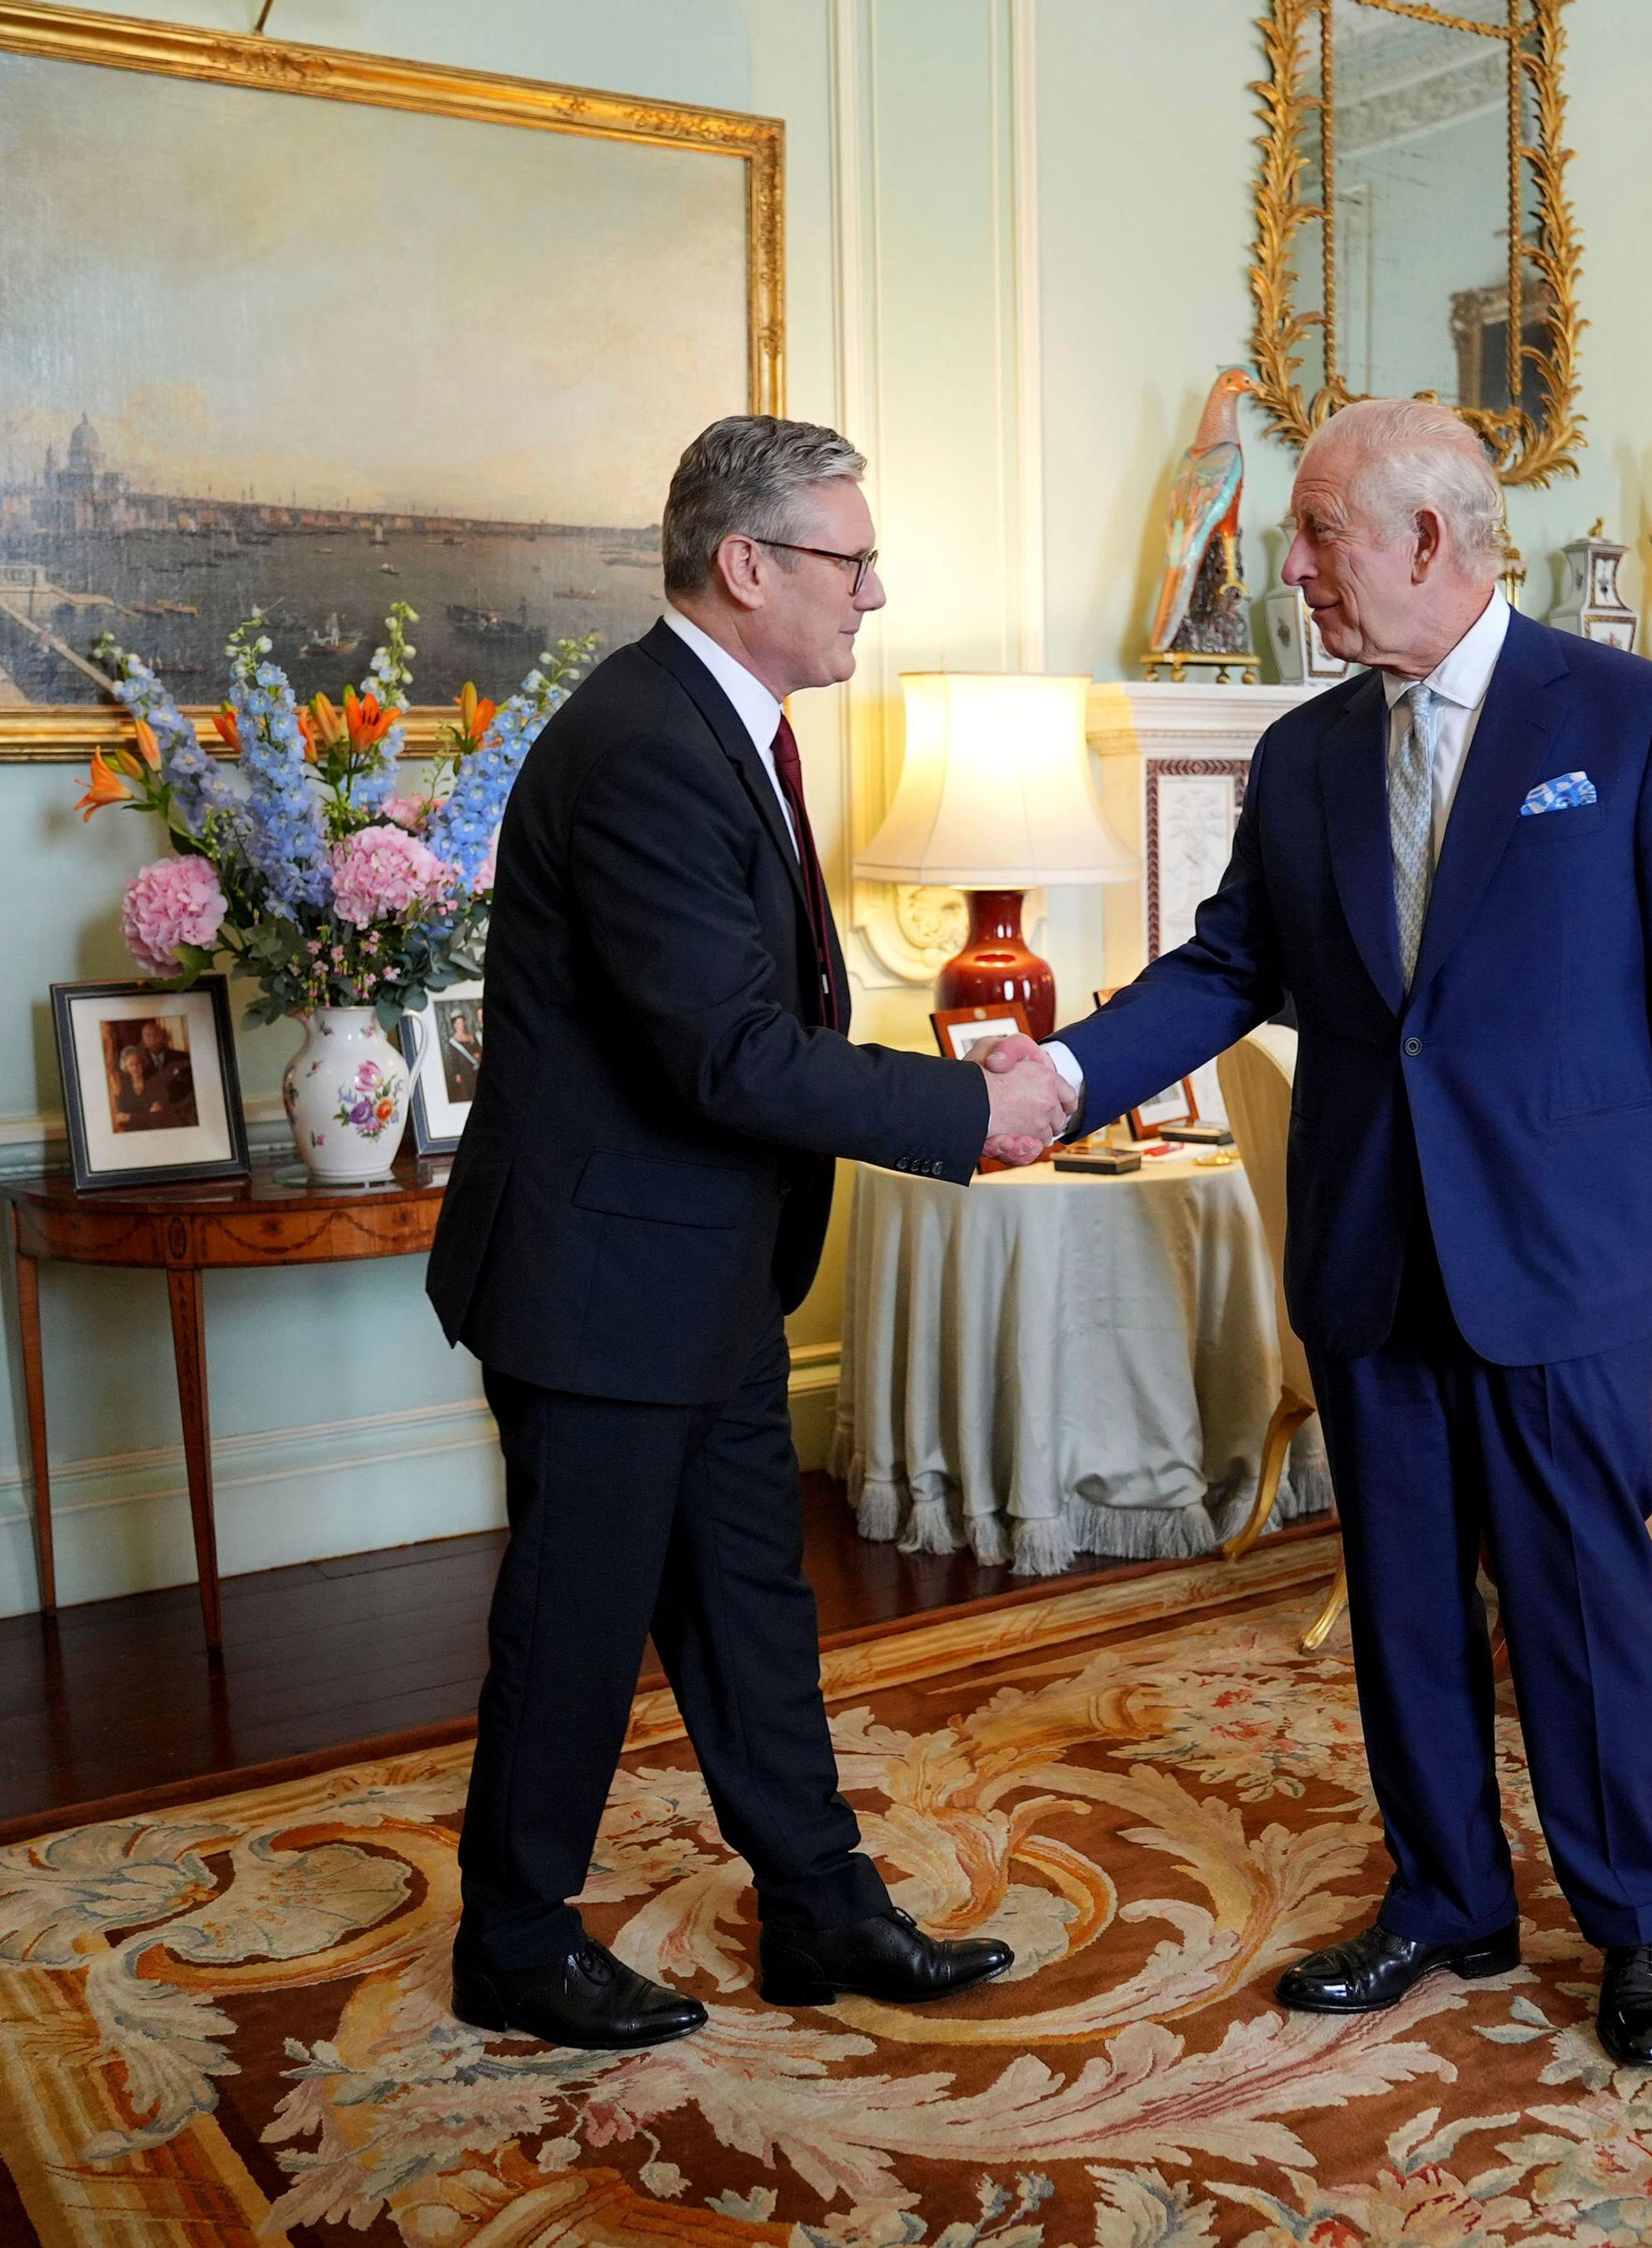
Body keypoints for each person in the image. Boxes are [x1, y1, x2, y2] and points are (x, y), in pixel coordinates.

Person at [1041, 398, 1652, 2071]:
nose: (1289, 569)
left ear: (1429, 540)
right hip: (1375, 1249)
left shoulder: (1634, 717)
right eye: (1297, 537)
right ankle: (1447, 1893)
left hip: (1568, 1246)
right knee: (1402, 1604)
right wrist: (1067, 1074)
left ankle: (1636, 1922)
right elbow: (1231, 969)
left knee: (1580, 1602)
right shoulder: (1304, 754)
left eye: (1316, 536)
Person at [424, 415, 1074, 2051]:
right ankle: (512, 1939)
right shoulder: (647, 741)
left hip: (692, 1264)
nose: (874, 593)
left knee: (746, 1599)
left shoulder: (721, 726)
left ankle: (819, 1904)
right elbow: (724, 1050)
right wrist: (960, 1110)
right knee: (576, 1626)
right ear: (750, 565)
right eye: (851, 561)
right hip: (601, 1276)